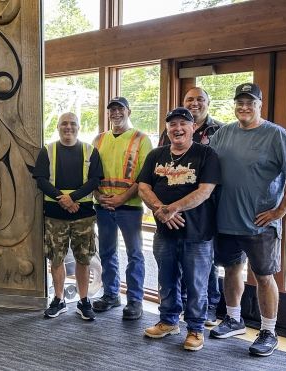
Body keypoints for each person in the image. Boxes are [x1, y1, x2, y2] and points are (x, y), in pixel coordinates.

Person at [209, 83, 286, 356]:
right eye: (240, 102)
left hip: (260, 223)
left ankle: (268, 331)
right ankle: (233, 318)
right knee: (231, 270)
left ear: (259, 105)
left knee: (264, 277)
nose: (244, 107)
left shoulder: (277, 135)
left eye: (250, 102)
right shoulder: (223, 134)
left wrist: (279, 212)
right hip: (226, 220)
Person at [138, 107, 221, 351]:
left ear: (193, 127)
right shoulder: (156, 155)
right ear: (167, 129)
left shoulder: (207, 154)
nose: (177, 128)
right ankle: (168, 321)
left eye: (183, 124)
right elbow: (143, 187)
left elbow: (205, 191)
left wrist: (170, 209)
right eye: (172, 124)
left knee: (196, 284)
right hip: (165, 233)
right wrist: (161, 210)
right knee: (166, 280)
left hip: (198, 234)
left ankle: (195, 329)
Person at [159, 87, 224, 326]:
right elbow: (159, 174)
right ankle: (176, 312)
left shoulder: (220, 130)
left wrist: (174, 207)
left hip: (206, 211)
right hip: (170, 218)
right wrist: (163, 209)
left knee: (206, 264)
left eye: (199, 99)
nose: (194, 103)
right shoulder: (170, 132)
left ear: (208, 102)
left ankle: (209, 308)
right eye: (190, 99)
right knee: (174, 267)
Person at [33, 112, 103, 320]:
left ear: (79, 127)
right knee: (56, 259)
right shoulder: (47, 150)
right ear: (58, 127)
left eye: (73, 124)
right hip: (55, 216)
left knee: (83, 258)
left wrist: (71, 198)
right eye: (64, 123)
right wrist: (62, 199)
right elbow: (41, 180)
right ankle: (59, 299)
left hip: (83, 215)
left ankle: (83, 301)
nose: (68, 127)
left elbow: (94, 181)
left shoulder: (91, 151)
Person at [92, 97, 152, 320]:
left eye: (120, 109)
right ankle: (111, 294)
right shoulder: (98, 140)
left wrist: (122, 198)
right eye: (112, 110)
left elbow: (144, 177)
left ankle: (135, 300)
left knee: (135, 254)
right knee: (107, 253)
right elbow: (92, 174)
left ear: (129, 111)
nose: (116, 113)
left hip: (130, 207)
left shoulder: (141, 139)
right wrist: (98, 195)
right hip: (103, 206)